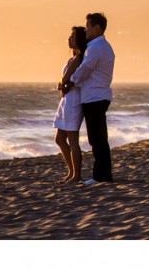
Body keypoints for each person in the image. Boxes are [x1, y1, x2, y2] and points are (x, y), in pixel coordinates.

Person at [71, 12, 115, 185]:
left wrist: (71, 80)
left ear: (97, 28)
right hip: (98, 95)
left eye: (88, 26)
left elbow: (85, 68)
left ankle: (101, 176)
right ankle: (103, 175)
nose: (86, 30)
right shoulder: (103, 46)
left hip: (95, 96)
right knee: (98, 138)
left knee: (97, 138)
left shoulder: (96, 47)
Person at [54, 26, 88, 183]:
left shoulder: (80, 58)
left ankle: (76, 175)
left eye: (73, 36)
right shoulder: (74, 58)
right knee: (60, 139)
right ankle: (71, 171)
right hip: (66, 101)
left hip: (74, 101)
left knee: (73, 139)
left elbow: (66, 79)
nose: (69, 38)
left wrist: (62, 83)